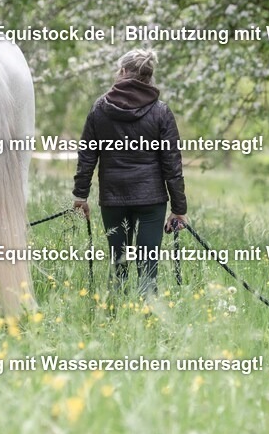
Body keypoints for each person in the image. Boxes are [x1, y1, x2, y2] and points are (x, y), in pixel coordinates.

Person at [72, 49, 188, 296]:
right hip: (151, 200)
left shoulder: (100, 108)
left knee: (119, 265)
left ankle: (114, 317)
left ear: (123, 72)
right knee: (148, 269)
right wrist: (179, 209)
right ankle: (148, 318)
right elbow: (172, 165)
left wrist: (81, 196)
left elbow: (87, 155)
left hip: (113, 199)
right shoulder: (161, 111)